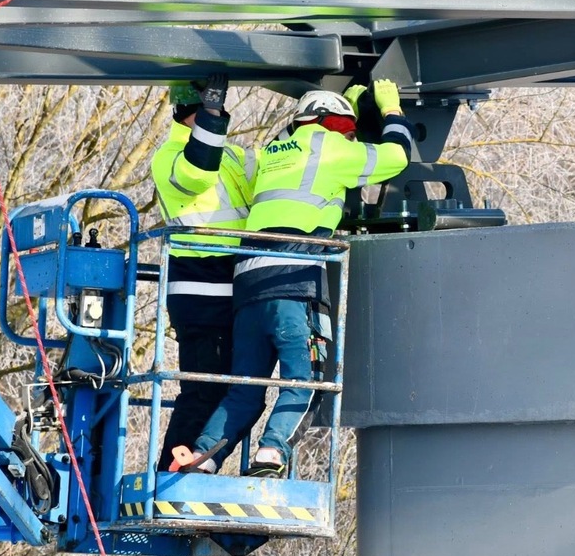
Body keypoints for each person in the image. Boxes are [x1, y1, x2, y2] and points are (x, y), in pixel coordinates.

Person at [169, 79, 414, 476]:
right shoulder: (334, 147)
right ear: (334, 124)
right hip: (294, 282)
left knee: (244, 388)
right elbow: (395, 156)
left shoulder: (271, 153)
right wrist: (391, 110)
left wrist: (345, 105)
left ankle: (202, 458)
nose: (352, 137)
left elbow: (295, 138)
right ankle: (271, 453)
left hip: (247, 284)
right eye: (349, 129)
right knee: (306, 379)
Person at [150, 74, 256, 472]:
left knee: (235, 391)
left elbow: (275, 172)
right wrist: (211, 114)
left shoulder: (229, 155)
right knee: (202, 391)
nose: (221, 120)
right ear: (191, 114)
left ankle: (196, 465)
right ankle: (170, 473)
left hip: (233, 288)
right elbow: (197, 172)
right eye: (213, 113)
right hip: (201, 290)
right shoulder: (171, 156)